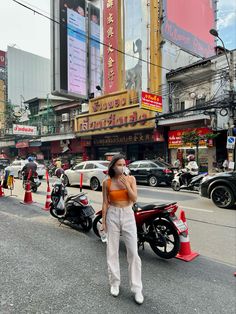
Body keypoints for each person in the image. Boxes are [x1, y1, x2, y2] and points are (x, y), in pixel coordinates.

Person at [101, 155, 144, 305]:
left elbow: (134, 199)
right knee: (112, 251)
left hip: (127, 214)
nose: (122, 167)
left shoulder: (131, 179)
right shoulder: (106, 182)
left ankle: (137, 288)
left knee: (133, 252)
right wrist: (104, 221)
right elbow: (105, 203)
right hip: (112, 214)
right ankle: (114, 283)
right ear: (113, 166)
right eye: (119, 164)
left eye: (124, 164)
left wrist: (126, 184)